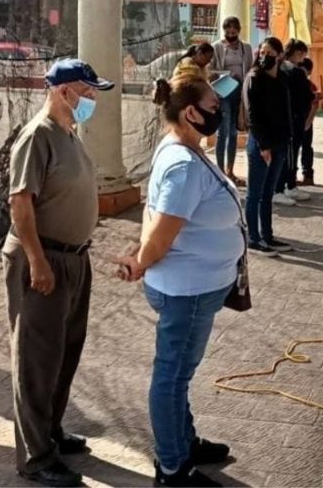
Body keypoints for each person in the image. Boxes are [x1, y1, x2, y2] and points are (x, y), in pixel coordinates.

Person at [115, 74, 239, 487]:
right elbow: (161, 233)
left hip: (196, 287)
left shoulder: (184, 147)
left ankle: (183, 441)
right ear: (190, 113)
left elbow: (155, 217)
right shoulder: (184, 165)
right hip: (185, 290)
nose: (220, 112)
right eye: (213, 107)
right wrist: (140, 261)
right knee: (171, 377)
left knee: (179, 373)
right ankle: (173, 467)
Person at [3, 58, 114, 487]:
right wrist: (36, 260)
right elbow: (21, 204)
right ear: (63, 91)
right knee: (37, 359)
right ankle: (35, 457)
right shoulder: (38, 137)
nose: (91, 100)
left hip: (73, 259)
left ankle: (50, 430)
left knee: (65, 353)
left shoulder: (70, 133)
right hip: (44, 259)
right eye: (87, 92)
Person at [243, 37, 294, 256]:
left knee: (268, 193)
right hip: (261, 144)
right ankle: (253, 238)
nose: (265, 56)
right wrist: (263, 145)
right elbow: (253, 116)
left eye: (270, 53)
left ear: (280, 55)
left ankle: (267, 235)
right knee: (255, 193)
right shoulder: (255, 78)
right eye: (262, 52)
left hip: (279, 142)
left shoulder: (282, 78)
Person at [210, 17, 253, 183]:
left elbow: (249, 68)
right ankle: (220, 171)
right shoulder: (217, 47)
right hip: (223, 91)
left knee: (234, 132)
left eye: (233, 33)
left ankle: (231, 170)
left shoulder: (246, 48)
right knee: (223, 132)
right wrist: (226, 74)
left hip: (239, 92)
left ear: (239, 32)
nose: (231, 36)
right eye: (228, 33)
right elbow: (211, 69)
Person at [273, 39, 315, 206]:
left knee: (290, 154)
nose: (303, 58)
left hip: (290, 118)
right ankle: (281, 188)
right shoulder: (294, 72)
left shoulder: (280, 69)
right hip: (292, 119)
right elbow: (305, 96)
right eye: (302, 54)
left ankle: (289, 185)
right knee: (288, 155)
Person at [298, 57, 323, 186]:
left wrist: (308, 122)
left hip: (307, 120)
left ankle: (308, 175)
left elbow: (314, 106)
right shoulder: (293, 83)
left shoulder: (311, 86)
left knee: (306, 147)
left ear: (309, 72)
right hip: (295, 120)